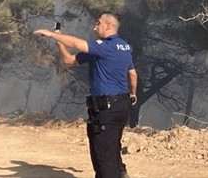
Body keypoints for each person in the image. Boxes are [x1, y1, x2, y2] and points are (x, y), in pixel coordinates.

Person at [35, 12, 137, 178]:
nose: (94, 26)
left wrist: (52, 34)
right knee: (111, 145)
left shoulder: (104, 46)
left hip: (107, 109)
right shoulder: (124, 47)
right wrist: (133, 94)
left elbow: (77, 43)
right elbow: (69, 61)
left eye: (98, 23)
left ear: (108, 26)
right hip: (121, 106)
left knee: (104, 155)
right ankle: (121, 172)